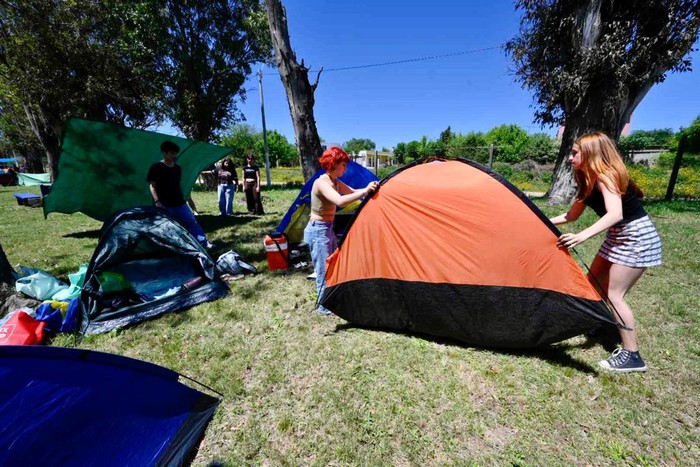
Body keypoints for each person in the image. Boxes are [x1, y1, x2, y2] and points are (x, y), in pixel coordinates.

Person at [549, 132, 661, 373]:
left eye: (575, 152)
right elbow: (570, 216)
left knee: (614, 295)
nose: (570, 157)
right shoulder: (586, 180)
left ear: (590, 154)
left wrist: (581, 236)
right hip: (617, 237)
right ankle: (598, 321)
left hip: (636, 238)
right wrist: (538, 220)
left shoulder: (606, 176)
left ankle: (633, 356)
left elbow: (615, 214)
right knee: (592, 284)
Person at [304, 147, 379, 315]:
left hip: (328, 229)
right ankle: (324, 308)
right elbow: (340, 200)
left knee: (332, 265)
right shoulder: (322, 182)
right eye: (343, 165)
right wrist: (365, 191)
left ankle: (331, 300)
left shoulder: (335, 181)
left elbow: (352, 192)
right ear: (333, 164)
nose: (345, 168)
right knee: (323, 269)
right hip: (317, 231)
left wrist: (367, 189)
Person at [147, 141, 215, 249]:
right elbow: (152, 186)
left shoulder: (177, 168)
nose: (175, 156)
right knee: (169, 227)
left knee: (191, 221)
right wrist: (157, 202)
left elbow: (178, 184)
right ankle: (173, 248)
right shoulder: (156, 167)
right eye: (172, 153)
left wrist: (184, 196)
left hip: (179, 202)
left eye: (176, 153)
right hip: (165, 204)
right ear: (164, 153)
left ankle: (203, 243)